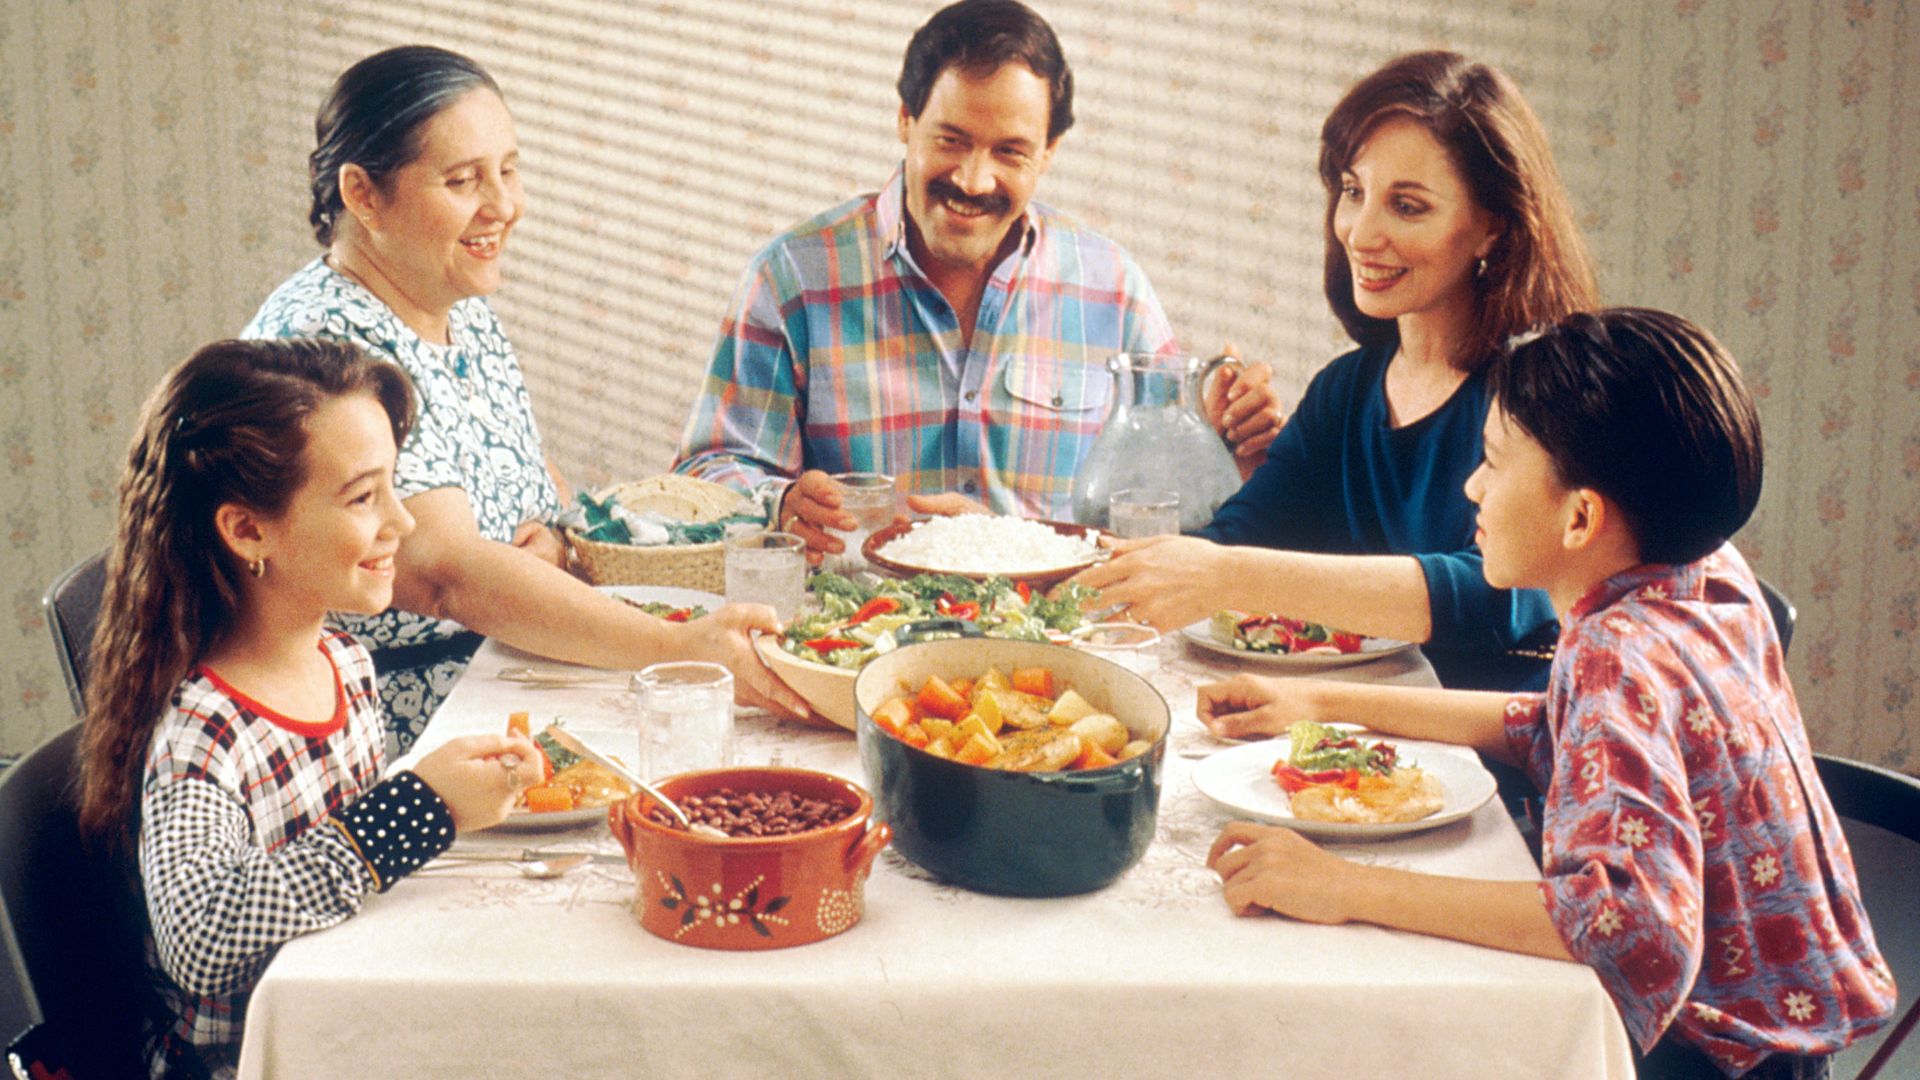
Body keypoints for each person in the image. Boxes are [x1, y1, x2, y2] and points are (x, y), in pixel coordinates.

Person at [1202, 310, 1897, 1080]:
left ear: (1580, 517)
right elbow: (1556, 724)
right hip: (1789, 1043)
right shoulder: (1706, 575)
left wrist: (1341, 885)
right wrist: (1325, 705)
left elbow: (1628, 924)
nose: (1472, 484)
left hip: (1701, 1055)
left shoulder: (1617, 653)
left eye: (1493, 463)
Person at [245, 45, 803, 748]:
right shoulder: (326, 347)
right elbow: (445, 575)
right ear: (362, 195)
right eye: (462, 181)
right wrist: (676, 646)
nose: (504, 206)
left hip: (502, 675)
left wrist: (552, 544)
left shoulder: (453, 303)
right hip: (383, 732)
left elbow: (529, 485)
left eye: (508, 170)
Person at [73, 340, 545, 1078]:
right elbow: (201, 936)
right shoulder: (205, 732)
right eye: (363, 497)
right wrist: (417, 812)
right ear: (248, 531)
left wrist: (451, 799)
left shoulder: (343, 660)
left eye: (394, 486)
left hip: (353, 1018)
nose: (404, 522)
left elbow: (345, 871)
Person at [672, 0, 1283, 563]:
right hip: (852, 639)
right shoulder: (792, 278)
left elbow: (1163, 513)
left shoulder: (1113, 289)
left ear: (1048, 153)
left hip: (1057, 650)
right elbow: (707, 471)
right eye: (951, 140)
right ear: (906, 120)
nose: (972, 179)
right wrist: (778, 503)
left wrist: (1226, 449)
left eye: (1010, 152)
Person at [1072, 50, 1600, 692]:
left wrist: (1229, 573)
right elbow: (1232, 540)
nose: (1360, 232)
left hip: (1502, 763)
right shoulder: (1346, 391)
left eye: (1407, 206)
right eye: (1353, 192)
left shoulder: (1543, 398)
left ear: (1491, 227)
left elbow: (1498, 590)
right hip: (1352, 743)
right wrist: (1015, 547)